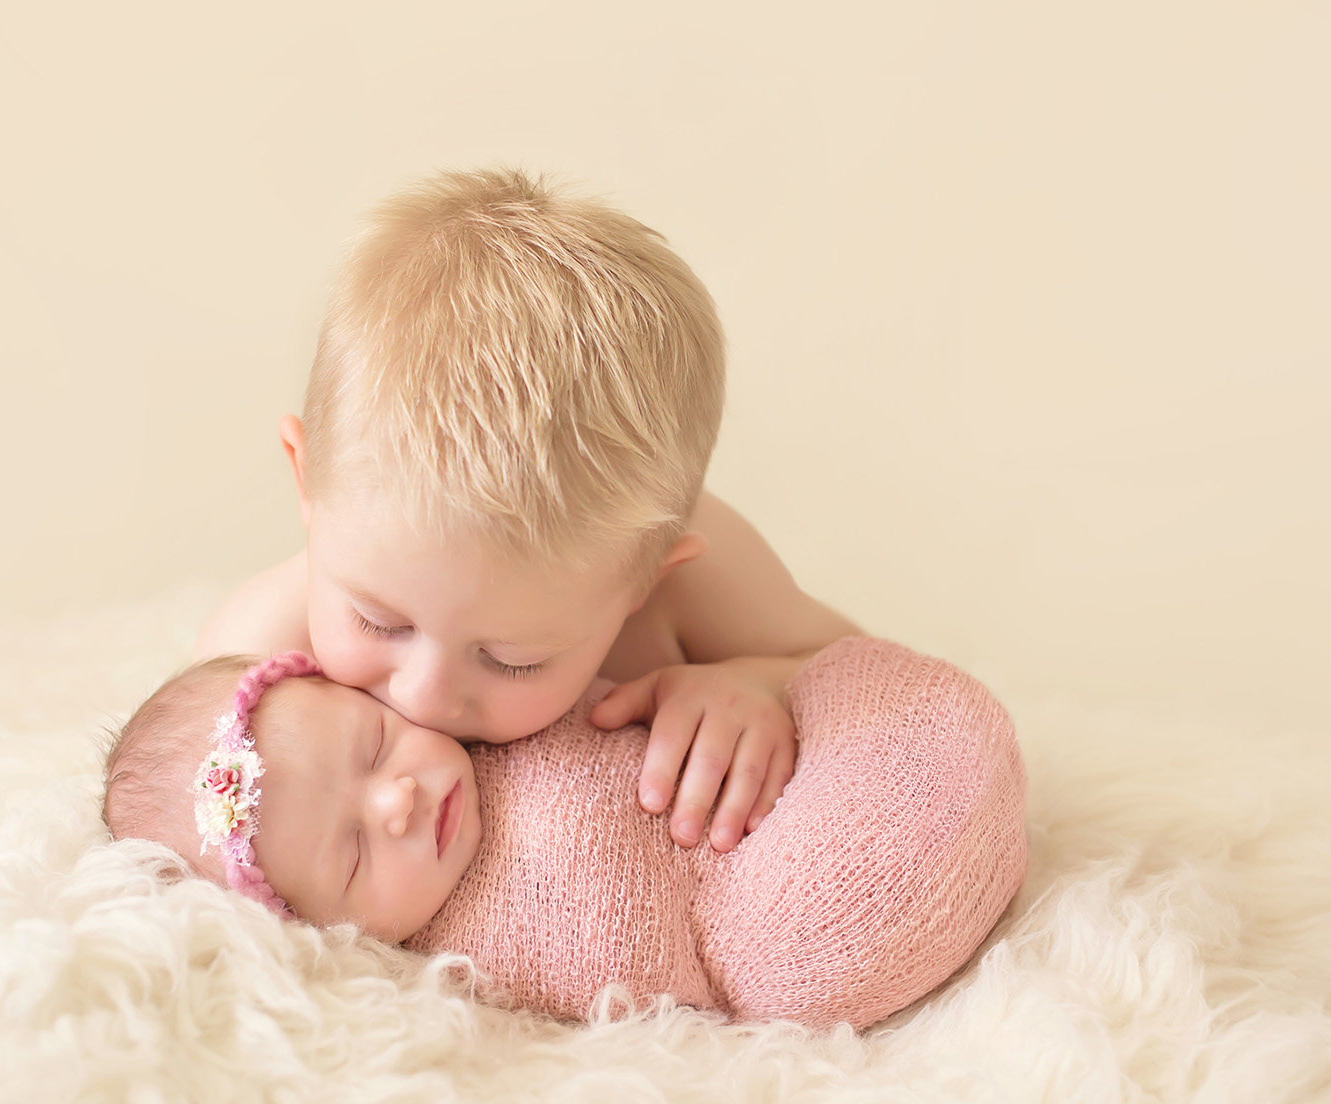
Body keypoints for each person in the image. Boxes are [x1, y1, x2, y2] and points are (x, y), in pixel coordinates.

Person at [195, 168, 861, 855]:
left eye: (511, 660)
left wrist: (750, 685)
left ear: (647, 579)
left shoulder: (688, 572)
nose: (426, 696)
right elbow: (189, 819)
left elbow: (852, 668)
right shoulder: (259, 663)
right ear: (306, 478)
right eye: (378, 620)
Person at [101, 644, 1027, 1030]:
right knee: (793, 960)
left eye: (375, 741)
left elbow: (675, 693)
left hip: (805, 763)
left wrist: (727, 683)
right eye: (352, 854)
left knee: (865, 697)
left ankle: (931, 768)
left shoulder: (498, 697)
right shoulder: (457, 971)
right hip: (757, 911)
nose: (399, 801)